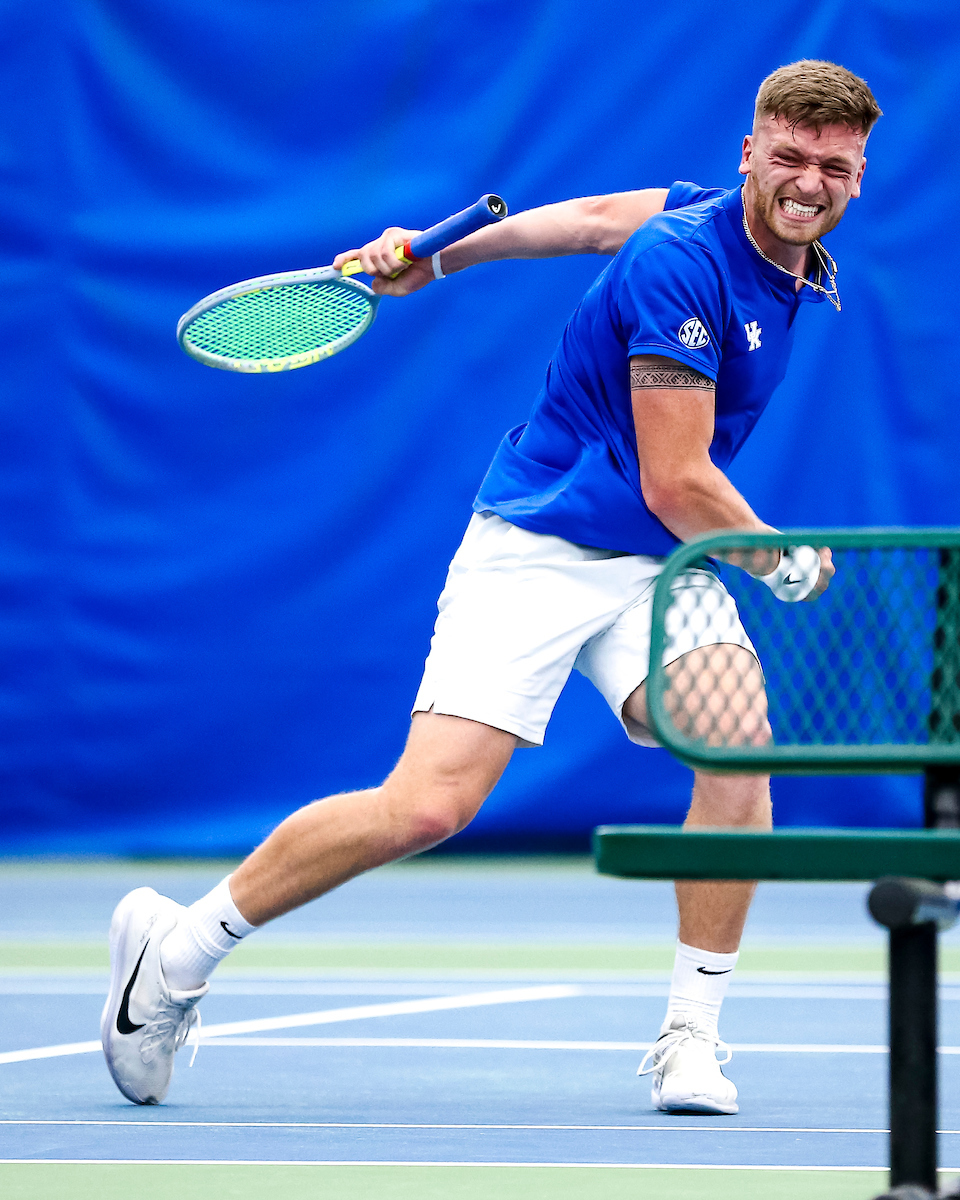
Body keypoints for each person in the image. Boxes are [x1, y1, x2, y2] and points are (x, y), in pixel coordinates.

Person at [101, 60, 881, 1113]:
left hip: (656, 560)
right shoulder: (683, 265)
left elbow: (593, 215)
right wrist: (783, 561)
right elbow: (678, 476)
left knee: (735, 742)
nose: (808, 182)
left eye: (832, 165)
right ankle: (177, 954)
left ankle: (691, 1037)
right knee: (425, 807)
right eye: (788, 157)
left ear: (859, 174)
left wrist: (445, 254)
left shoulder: (731, 226)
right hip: (545, 540)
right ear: (751, 151)